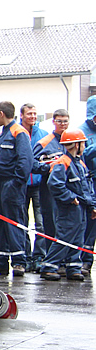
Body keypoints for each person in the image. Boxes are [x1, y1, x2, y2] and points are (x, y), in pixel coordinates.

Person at [0, 101, 33, 277]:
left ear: (2, 113)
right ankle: (0, 261)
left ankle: (19, 262)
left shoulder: (19, 132)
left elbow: (25, 160)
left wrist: (16, 183)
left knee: (13, 221)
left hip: (11, 185)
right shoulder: (4, 133)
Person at [39, 129, 96, 281]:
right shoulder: (62, 163)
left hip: (81, 208)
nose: (84, 146)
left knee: (78, 238)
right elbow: (54, 184)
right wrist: (70, 198)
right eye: (83, 143)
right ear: (76, 145)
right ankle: (49, 266)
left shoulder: (80, 164)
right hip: (69, 209)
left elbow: (87, 187)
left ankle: (73, 266)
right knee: (65, 237)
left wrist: (92, 206)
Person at [32, 109, 70, 268]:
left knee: (68, 225)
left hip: (69, 189)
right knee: (51, 225)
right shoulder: (45, 141)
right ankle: (52, 262)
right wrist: (49, 167)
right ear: (54, 121)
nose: (63, 124)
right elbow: (33, 164)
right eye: (59, 121)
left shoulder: (73, 140)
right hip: (49, 190)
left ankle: (68, 261)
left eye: (65, 121)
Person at [18, 103, 48, 271]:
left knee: (40, 221)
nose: (32, 116)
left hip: (38, 184)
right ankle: (26, 255)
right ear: (21, 115)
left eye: (35, 113)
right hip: (21, 184)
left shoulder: (44, 135)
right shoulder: (15, 133)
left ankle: (39, 256)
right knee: (22, 221)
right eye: (29, 113)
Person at [80, 96, 96, 273]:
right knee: (90, 222)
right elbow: (82, 156)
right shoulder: (81, 132)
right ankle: (86, 259)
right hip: (91, 181)